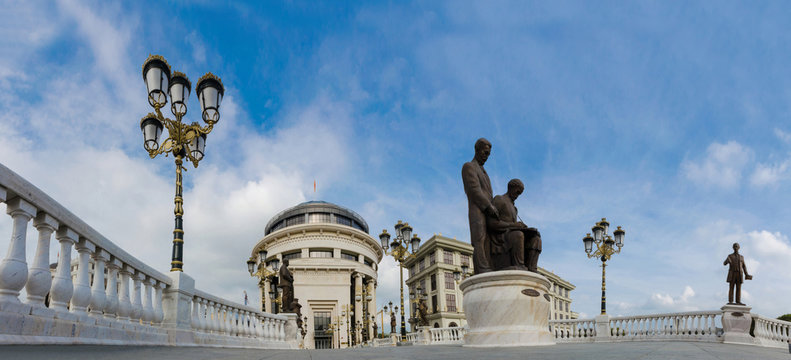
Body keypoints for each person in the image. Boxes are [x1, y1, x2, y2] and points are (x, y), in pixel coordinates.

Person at [462, 138, 499, 274]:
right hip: (478, 210)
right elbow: (474, 190)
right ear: (477, 150)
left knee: (488, 241)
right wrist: (489, 206)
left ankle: (489, 266)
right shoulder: (469, 167)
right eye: (484, 152)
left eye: (488, 154)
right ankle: (482, 269)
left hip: (488, 212)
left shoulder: (484, 172)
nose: (486, 156)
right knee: (480, 239)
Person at [488, 179, 542, 272]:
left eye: (519, 194)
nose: (517, 196)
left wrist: (523, 228)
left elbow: (514, 226)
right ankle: (519, 265)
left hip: (511, 234)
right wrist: (514, 225)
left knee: (536, 238)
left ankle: (531, 268)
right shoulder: (499, 199)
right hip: (500, 236)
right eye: (517, 192)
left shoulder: (514, 208)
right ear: (510, 188)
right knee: (518, 235)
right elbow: (491, 223)